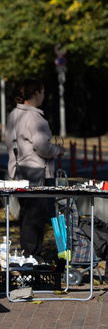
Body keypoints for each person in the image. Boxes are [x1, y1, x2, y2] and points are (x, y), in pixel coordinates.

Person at [5, 77, 66, 262]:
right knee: (37, 216)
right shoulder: (34, 117)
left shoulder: (14, 114)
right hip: (38, 172)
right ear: (36, 92)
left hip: (19, 171)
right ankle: (32, 256)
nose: (44, 95)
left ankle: (28, 255)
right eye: (43, 91)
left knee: (26, 215)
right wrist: (58, 149)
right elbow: (42, 147)